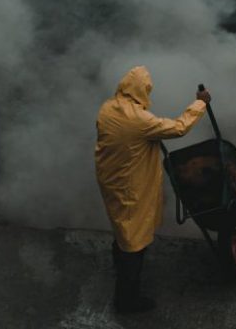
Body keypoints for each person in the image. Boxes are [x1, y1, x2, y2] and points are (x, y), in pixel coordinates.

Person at [94, 65, 211, 314]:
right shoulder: (140, 121)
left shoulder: (107, 108)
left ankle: (119, 255)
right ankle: (127, 299)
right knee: (134, 238)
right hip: (130, 186)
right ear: (142, 90)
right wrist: (200, 104)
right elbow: (179, 128)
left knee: (121, 224)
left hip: (110, 179)